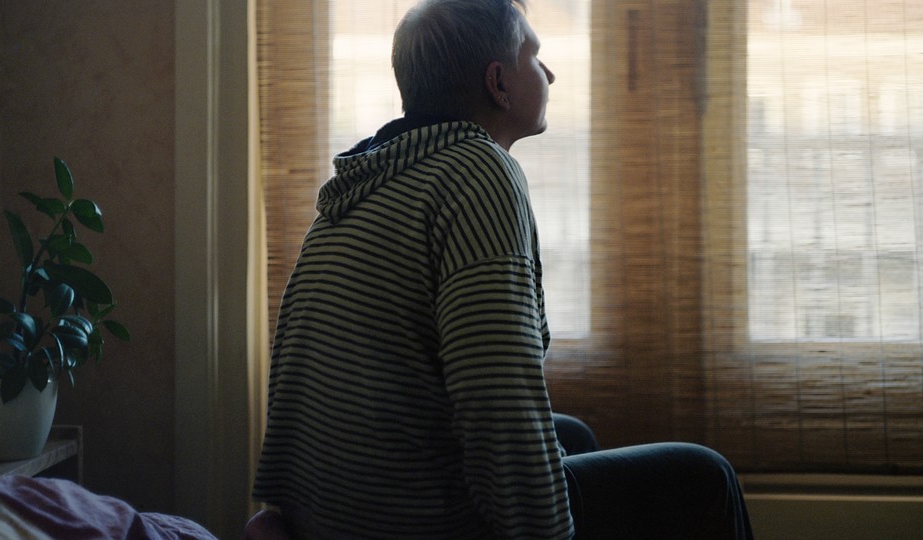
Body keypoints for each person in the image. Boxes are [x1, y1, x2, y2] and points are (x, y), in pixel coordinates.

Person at [252, 1, 754, 538]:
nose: (550, 73)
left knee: (573, 436)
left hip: (331, 514)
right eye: (534, 57)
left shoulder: (367, 186)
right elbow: (496, 393)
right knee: (708, 476)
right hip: (414, 523)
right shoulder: (478, 171)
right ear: (499, 84)